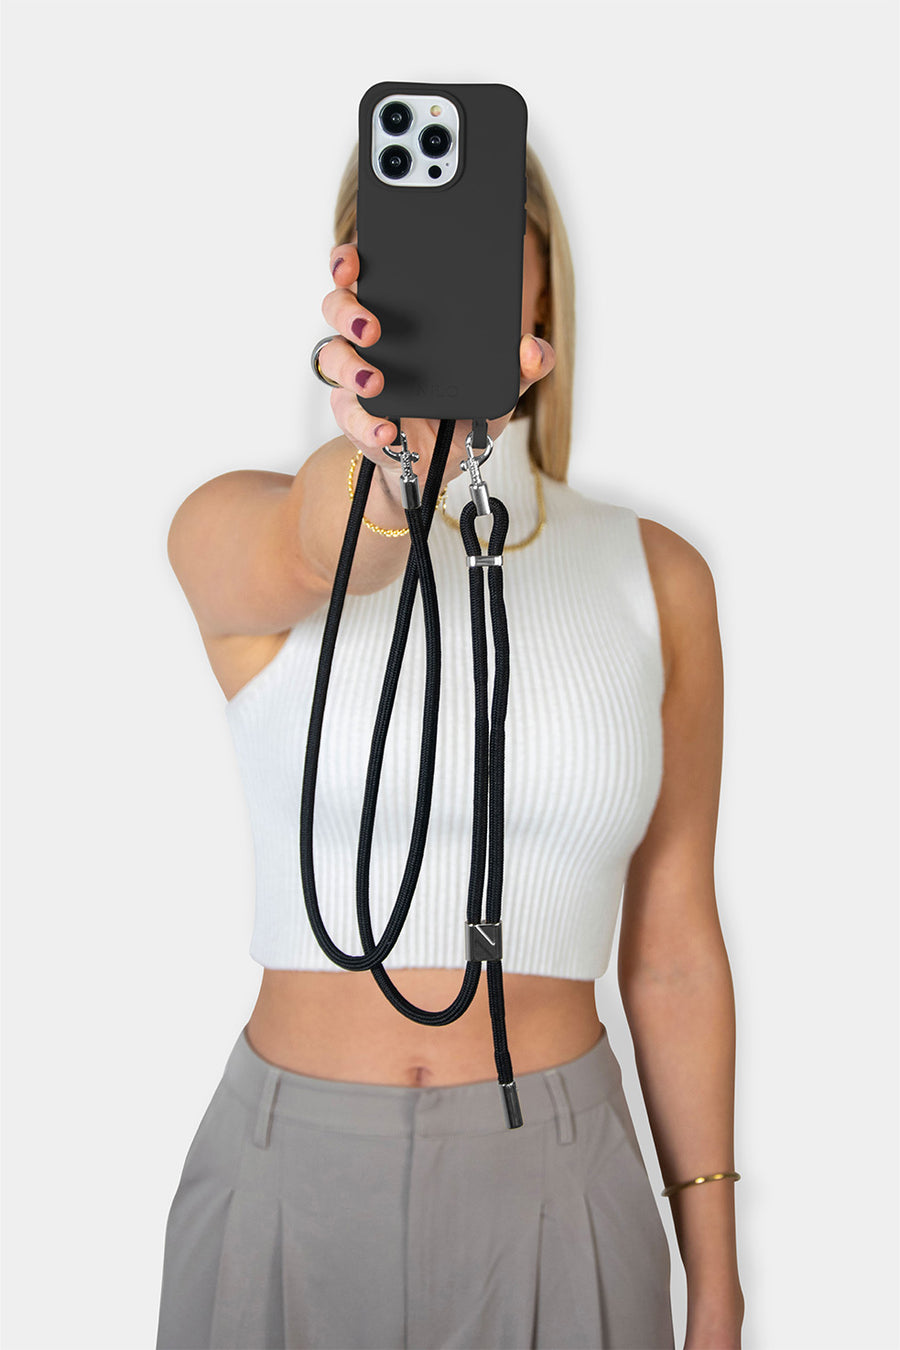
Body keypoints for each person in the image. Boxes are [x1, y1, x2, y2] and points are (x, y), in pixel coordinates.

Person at [155, 141, 744, 1350]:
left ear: (542, 288)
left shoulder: (656, 579)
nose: (451, 280)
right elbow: (320, 546)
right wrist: (393, 460)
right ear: (351, 286)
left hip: (561, 1179)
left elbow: (675, 948)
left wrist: (720, 1283)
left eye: (482, 251)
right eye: (414, 254)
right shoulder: (231, 522)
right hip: (286, 1180)